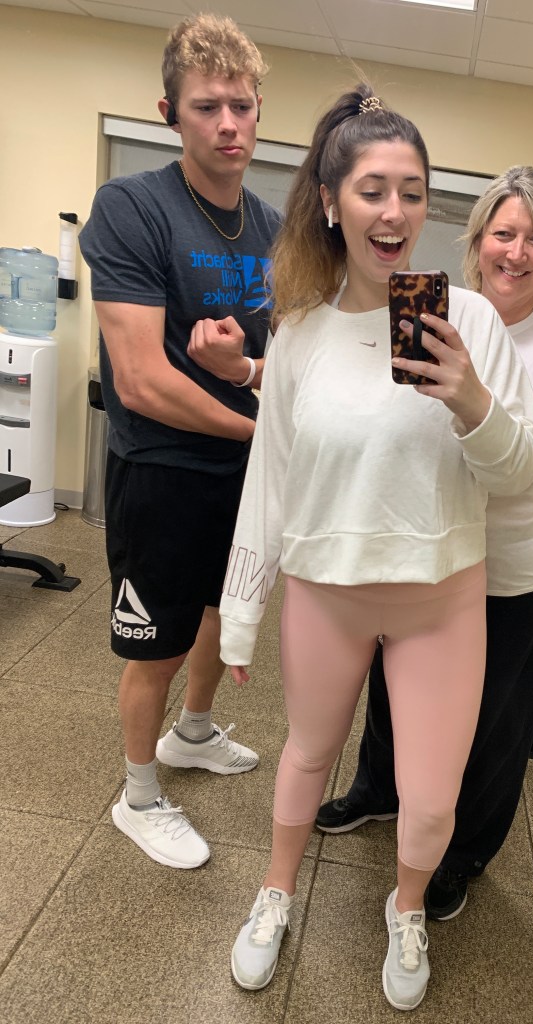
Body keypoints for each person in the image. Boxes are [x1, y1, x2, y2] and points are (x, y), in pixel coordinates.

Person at [218, 88, 533, 1010]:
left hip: (442, 595)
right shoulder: (300, 329)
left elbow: (518, 472)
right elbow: (270, 477)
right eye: (371, 190)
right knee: (307, 756)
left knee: (431, 798)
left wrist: (470, 399)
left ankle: (406, 908)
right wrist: (241, 610)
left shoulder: (470, 321)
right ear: (330, 201)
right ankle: (274, 894)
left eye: (412, 191)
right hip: (327, 591)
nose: (394, 212)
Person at [316, 165, 533, 919]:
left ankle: (463, 852)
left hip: (509, 570)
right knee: (391, 684)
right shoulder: (433, 314)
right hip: (422, 550)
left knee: (489, 721)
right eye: (504, 233)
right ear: (477, 241)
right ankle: (378, 789)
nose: (517, 253)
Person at [79, 13, 282, 870]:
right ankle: (138, 795)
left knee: (217, 611)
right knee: (155, 643)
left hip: (240, 472)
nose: (228, 124)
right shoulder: (133, 208)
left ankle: (193, 734)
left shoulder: (273, 228)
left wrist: (253, 376)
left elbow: (284, 360)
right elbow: (140, 381)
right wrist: (266, 431)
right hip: (162, 468)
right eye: (207, 107)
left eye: (242, 105)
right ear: (171, 114)